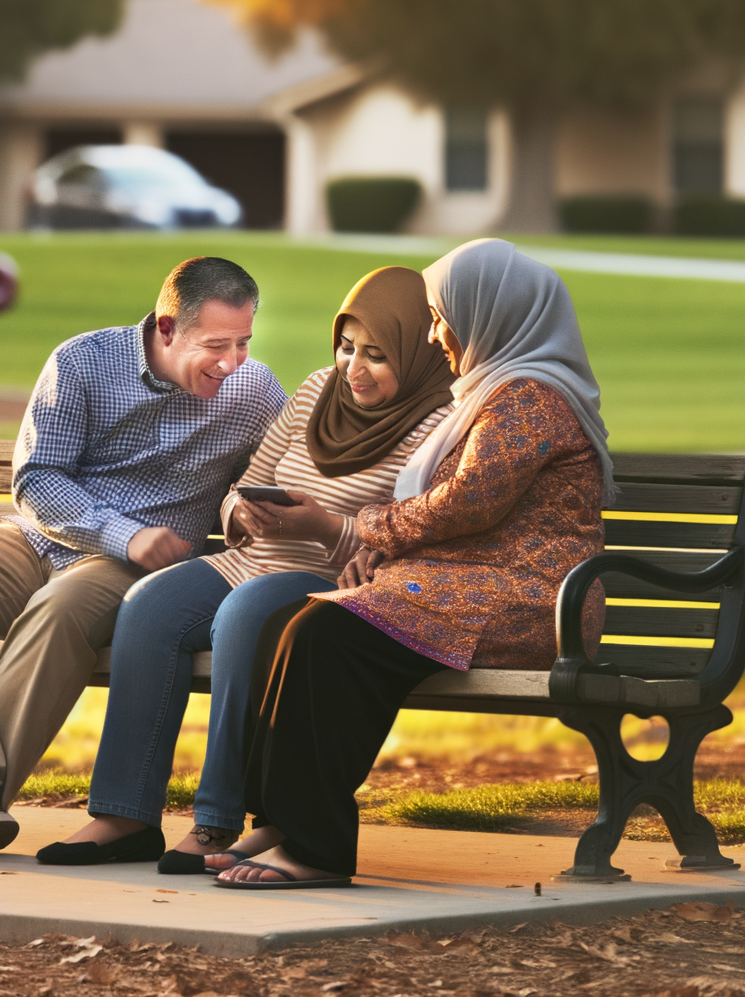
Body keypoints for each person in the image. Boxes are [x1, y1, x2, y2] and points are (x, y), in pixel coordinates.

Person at [215, 238, 611, 890]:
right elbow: (456, 511)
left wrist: (368, 529)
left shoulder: (529, 397)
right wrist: (381, 551)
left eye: (441, 315)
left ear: (489, 312)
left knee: (329, 638)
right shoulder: (495, 390)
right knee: (304, 625)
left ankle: (314, 847)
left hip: (531, 604)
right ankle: (284, 822)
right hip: (477, 586)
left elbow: (464, 505)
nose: (434, 333)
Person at [36, 266, 456, 870]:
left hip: (325, 580)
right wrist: (240, 512)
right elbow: (246, 481)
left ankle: (217, 822)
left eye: (377, 356)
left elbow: (401, 535)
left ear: (417, 354)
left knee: (240, 617)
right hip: (251, 558)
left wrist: (324, 529)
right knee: (148, 606)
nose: (353, 369)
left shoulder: (435, 426)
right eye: (347, 347)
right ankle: (124, 814)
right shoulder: (315, 391)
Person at [0, 257, 287, 856]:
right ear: (167, 328)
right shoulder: (83, 362)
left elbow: (274, 477)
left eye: (244, 342)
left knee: (57, 612)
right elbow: (38, 479)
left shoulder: (254, 393)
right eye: (216, 345)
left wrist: (236, 509)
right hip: (43, 537)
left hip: (135, 568)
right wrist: (120, 532)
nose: (232, 363)